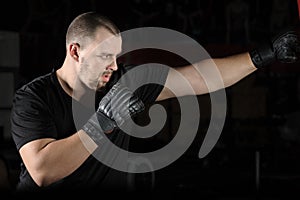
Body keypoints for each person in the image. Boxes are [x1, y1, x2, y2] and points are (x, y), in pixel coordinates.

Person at [10, 11, 299, 196]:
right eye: (104, 56)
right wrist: (102, 124)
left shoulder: (123, 83)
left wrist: (266, 55)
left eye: (116, 57)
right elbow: (43, 170)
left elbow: (199, 78)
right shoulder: (33, 98)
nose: (113, 65)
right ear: (75, 51)